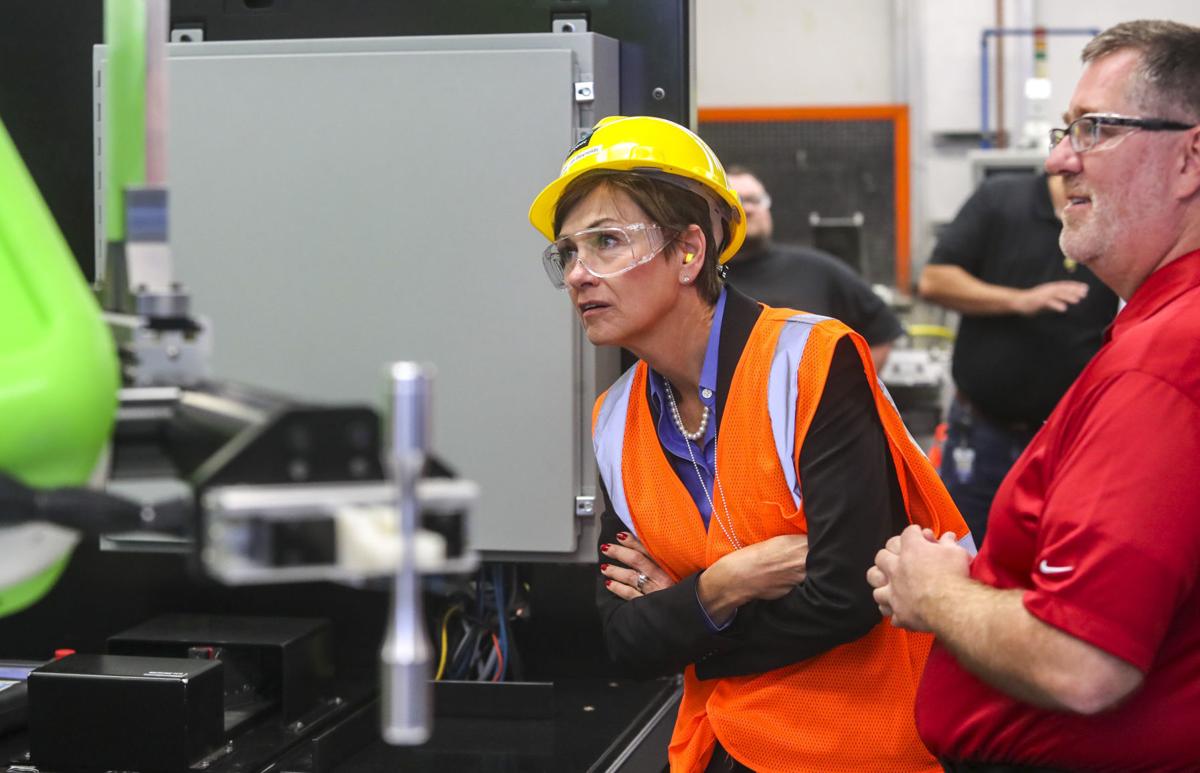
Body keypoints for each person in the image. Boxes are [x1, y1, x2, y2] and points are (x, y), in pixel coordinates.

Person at [528, 116, 969, 773]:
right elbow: (623, 640)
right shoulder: (615, 419)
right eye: (567, 252)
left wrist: (683, 613)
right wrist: (727, 584)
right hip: (718, 747)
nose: (578, 274)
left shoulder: (812, 362)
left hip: (860, 745)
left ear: (689, 252)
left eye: (607, 242)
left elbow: (844, 598)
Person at [869, 19, 1200, 772]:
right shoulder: (1158, 328)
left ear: (1191, 157)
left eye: (1094, 130)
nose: (1059, 158)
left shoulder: (1163, 359)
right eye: (1064, 130)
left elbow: (1082, 661)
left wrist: (935, 591)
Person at [918, 172, 1118, 542]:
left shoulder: (1115, 212)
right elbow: (934, 280)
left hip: (1072, 436)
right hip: (984, 432)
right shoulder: (1002, 199)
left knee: (1061, 551)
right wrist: (1019, 301)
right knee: (966, 548)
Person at [724, 167, 903, 371]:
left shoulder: (819, 271)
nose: (748, 209)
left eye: (755, 200)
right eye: (737, 201)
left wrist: (848, 392)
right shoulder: (701, 279)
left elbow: (881, 329)